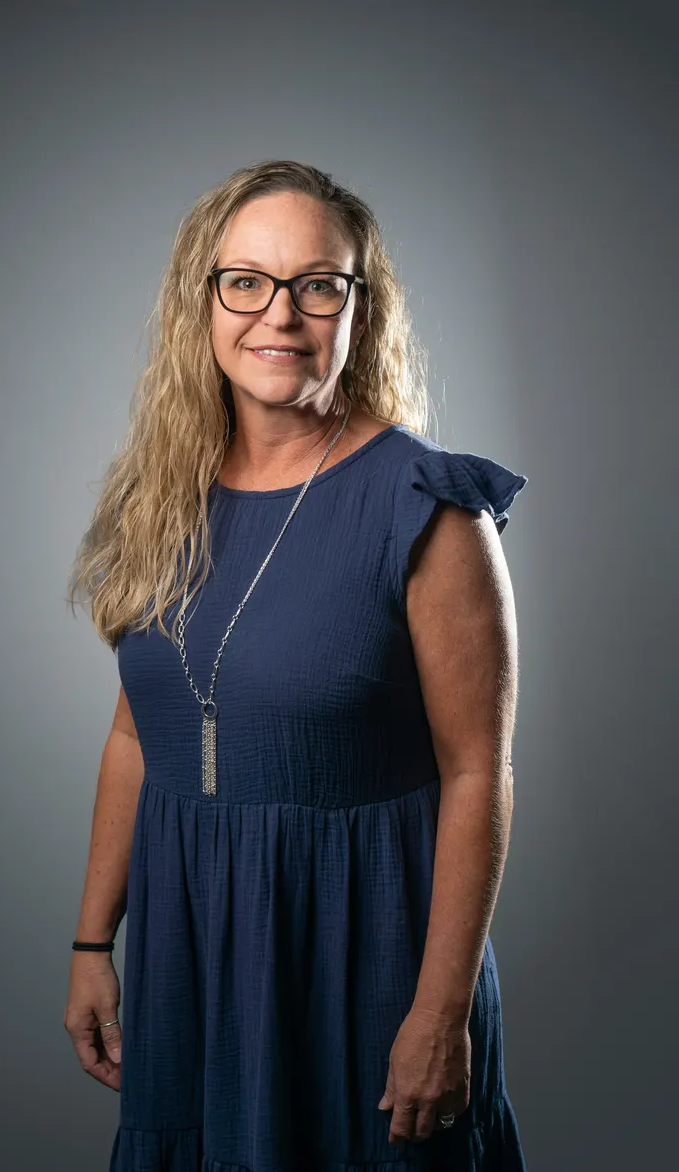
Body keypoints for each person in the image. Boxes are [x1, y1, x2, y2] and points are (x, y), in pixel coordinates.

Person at [64, 158, 529, 1171]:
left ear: (360, 308)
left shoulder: (426, 509)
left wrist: (438, 1014)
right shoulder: (158, 500)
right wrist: (94, 942)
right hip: (193, 951)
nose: (280, 314)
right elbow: (135, 734)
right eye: (247, 281)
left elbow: (472, 774)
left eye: (318, 283)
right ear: (205, 301)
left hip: (366, 953)